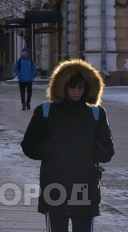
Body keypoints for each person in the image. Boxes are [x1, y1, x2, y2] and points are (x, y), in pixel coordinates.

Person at [21, 59, 114, 232]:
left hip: (85, 186)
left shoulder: (96, 113)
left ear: (88, 87)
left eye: (80, 87)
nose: (76, 92)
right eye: (72, 87)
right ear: (63, 86)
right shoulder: (46, 111)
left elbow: (108, 152)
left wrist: (90, 147)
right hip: (55, 186)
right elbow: (29, 145)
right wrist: (53, 147)